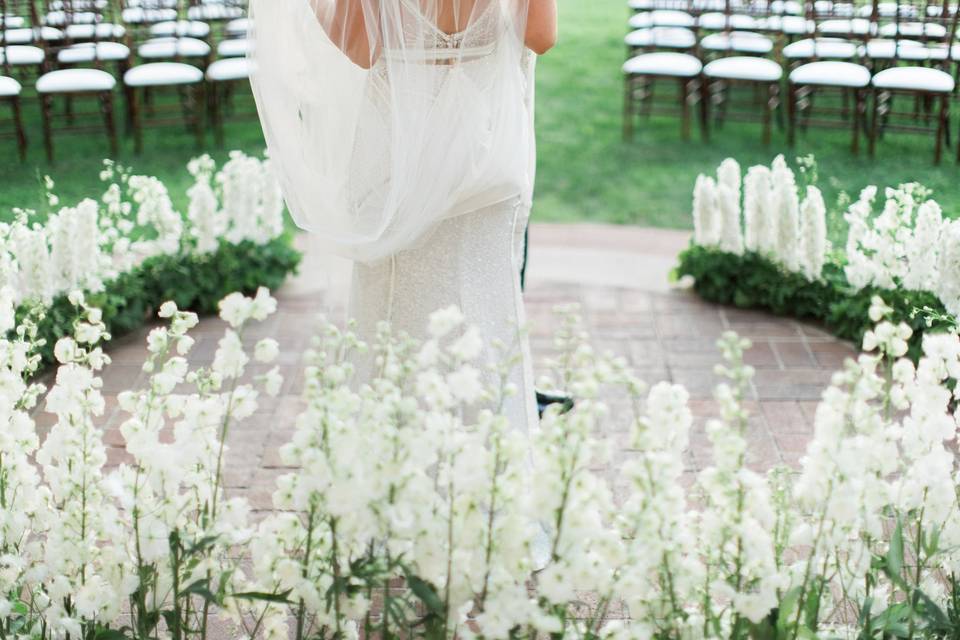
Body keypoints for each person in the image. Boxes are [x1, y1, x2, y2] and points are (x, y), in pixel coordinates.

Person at [249, 0, 558, 433]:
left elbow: (360, 48)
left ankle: (396, 469)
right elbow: (540, 36)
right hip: (485, 148)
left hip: (398, 152)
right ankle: (490, 466)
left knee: (394, 319)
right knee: (489, 310)